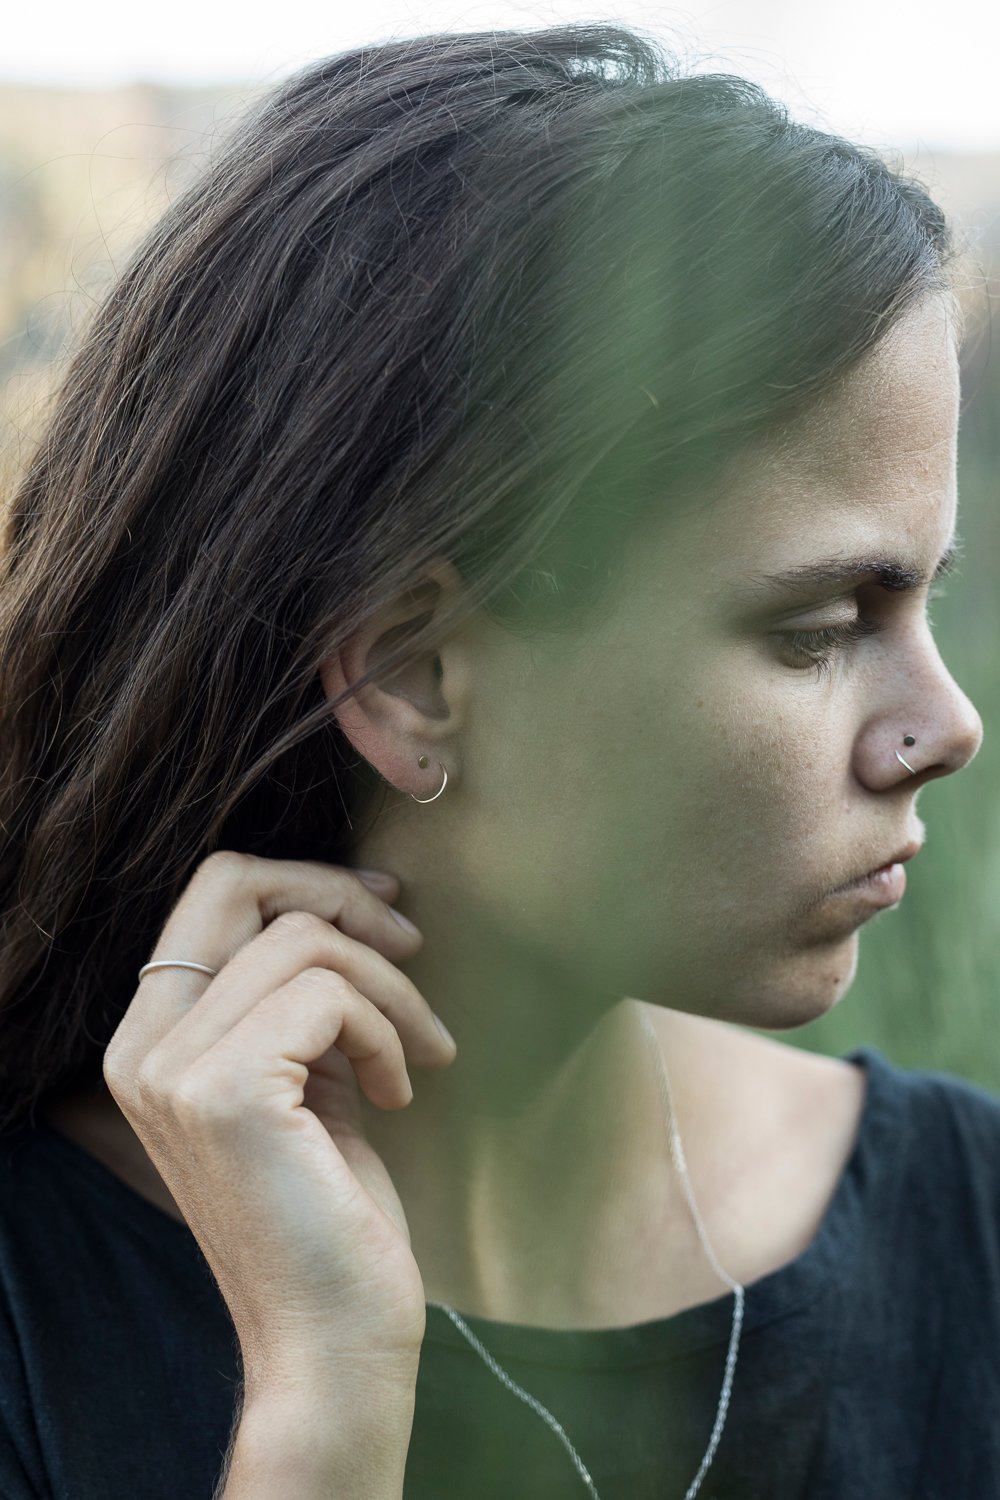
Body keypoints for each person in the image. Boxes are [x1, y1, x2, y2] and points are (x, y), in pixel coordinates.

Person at [0, 21, 996, 1500]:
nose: (948, 727)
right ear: (414, 676)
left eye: (925, 598)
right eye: (815, 628)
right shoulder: (31, 1302)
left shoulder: (970, 1225)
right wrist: (323, 1402)